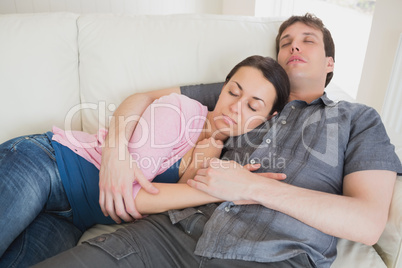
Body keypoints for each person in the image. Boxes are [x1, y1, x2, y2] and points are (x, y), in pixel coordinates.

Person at [35, 13, 402, 267]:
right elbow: (144, 97)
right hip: (166, 234)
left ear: (329, 64)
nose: (294, 47)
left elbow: (368, 223)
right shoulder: (251, 89)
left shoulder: (358, 119)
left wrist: (252, 187)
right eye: (286, 41)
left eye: (308, 41)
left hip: (274, 257)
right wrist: (116, 151)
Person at [0, 56, 290, 267]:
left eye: (253, 106)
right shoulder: (181, 110)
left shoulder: (219, 152)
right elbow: (131, 192)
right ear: (223, 87)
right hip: (45, 166)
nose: (235, 108)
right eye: (233, 92)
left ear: (269, 118)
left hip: (72, 218)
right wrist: (226, 188)